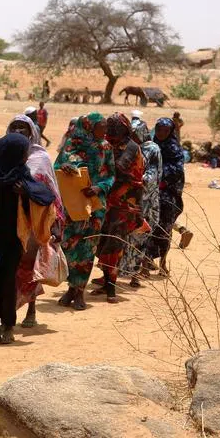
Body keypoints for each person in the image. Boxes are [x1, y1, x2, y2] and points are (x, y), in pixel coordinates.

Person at [0, 132, 56, 344]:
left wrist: (26, 191)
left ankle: (8, 326)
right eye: (23, 153)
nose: (26, 157)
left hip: (13, 239)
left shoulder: (21, 175)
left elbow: (47, 197)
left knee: (8, 282)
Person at [4, 114, 62, 328]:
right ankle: (8, 314)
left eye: (23, 128)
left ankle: (31, 308)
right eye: (15, 127)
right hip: (9, 219)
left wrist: (28, 192)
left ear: (32, 133)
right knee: (10, 267)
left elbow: (52, 194)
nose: (19, 131)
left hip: (34, 221)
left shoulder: (41, 158)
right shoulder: (4, 155)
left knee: (30, 266)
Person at [55, 113, 112, 311]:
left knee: (88, 249)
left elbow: (111, 175)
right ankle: (71, 286)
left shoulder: (106, 147)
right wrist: (65, 167)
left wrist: (99, 188)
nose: (104, 131)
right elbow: (57, 167)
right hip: (72, 204)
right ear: (88, 127)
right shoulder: (71, 145)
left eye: (105, 127)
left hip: (95, 205)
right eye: (101, 127)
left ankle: (79, 291)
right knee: (69, 246)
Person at [90, 114, 145, 303]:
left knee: (114, 244)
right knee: (104, 242)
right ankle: (106, 283)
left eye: (115, 128)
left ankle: (112, 288)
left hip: (124, 203)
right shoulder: (108, 144)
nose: (111, 132)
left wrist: (102, 162)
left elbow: (119, 168)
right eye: (109, 128)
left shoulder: (130, 147)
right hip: (108, 201)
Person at [120, 120, 161, 285]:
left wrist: (138, 180)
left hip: (148, 200)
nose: (134, 137)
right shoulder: (130, 148)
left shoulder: (153, 149)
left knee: (141, 237)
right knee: (128, 236)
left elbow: (153, 173)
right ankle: (124, 272)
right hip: (132, 197)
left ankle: (136, 275)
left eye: (136, 134)